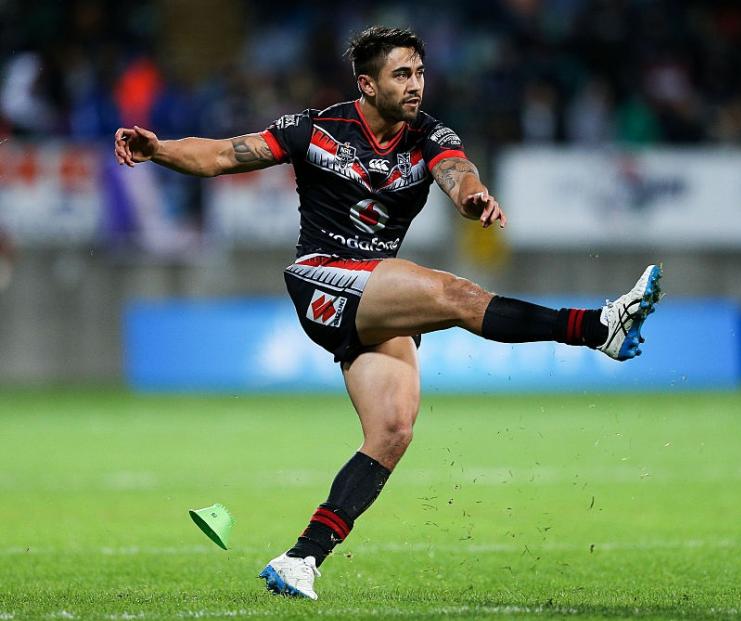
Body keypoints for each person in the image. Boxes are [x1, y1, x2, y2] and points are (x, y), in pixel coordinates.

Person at [114, 26, 662, 601]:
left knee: (393, 432)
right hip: (323, 276)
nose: (416, 85)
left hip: (374, 297)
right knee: (454, 295)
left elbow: (458, 171)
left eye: (420, 73)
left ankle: (301, 559)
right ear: (367, 84)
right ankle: (596, 328)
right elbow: (227, 153)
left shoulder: (428, 134)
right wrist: (159, 151)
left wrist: (470, 196)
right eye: (402, 74)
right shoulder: (317, 129)